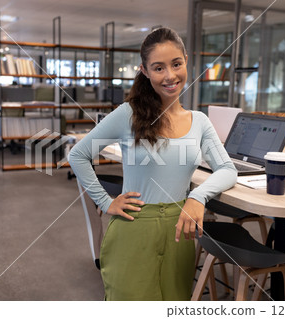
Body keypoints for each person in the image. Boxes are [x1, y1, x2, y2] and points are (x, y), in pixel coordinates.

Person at [68, 27, 237, 301]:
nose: (170, 76)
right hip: (134, 226)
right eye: (158, 68)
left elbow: (228, 169)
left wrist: (198, 197)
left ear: (186, 61)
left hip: (179, 233)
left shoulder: (200, 122)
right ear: (145, 71)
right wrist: (104, 201)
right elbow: (78, 154)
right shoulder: (129, 114)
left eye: (176, 64)